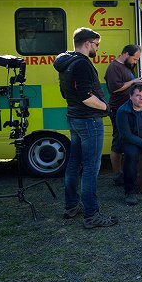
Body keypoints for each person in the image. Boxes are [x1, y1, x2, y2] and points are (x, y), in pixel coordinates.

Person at [53, 27, 117, 229]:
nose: (97, 48)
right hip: (89, 120)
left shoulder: (66, 61)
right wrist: (106, 107)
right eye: (97, 45)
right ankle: (91, 215)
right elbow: (85, 96)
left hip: (74, 117)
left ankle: (72, 205)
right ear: (88, 43)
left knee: (74, 163)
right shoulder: (81, 64)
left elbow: (67, 92)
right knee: (91, 168)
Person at [104, 45, 142, 186]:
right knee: (118, 141)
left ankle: (127, 172)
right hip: (118, 110)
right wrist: (134, 81)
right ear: (126, 54)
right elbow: (114, 88)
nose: (135, 62)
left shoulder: (127, 66)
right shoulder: (114, 67)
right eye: (134, 58)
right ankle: (116, 174)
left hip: (128, 109)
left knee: (128, 140)